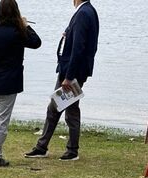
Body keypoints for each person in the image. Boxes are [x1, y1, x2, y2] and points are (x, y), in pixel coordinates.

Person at [25, 0, 99, 161]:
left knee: (63, 109)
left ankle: (67, 149)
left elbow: (79, 47)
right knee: (59, 108)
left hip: (72, 72)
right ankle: (44, 146)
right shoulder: (87, 11)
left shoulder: (83, 13)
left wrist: (69, 76)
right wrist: (67, 33)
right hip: (74, 70)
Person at [0, 0, 41, 166]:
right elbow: (36, 42)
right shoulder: (18, 33)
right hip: (9, 82)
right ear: (16, 13)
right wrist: (25, 25)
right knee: (2, 120)